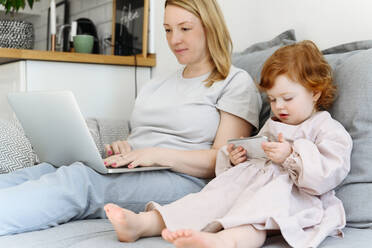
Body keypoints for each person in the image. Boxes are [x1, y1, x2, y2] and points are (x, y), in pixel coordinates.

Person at [0, 0, 262, 236]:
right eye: (168, 30)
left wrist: (155, 154)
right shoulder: (156, 85)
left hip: (187, 181)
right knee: (47, 169)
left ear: (210, 27)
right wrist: (126, 147)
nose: (174, 40)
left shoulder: (234, 82)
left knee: (81, 180)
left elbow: (224, 161)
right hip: (140, 168)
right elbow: (143, 135)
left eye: (185, 28)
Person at [103, 40, 353, 248]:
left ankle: (223, 242)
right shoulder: (273, 122)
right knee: (205, 201)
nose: (279, 107)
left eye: (287, 98)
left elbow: (329, 173)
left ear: (315, 92)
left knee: (251, 217)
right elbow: (257, 154)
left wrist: (290, 156)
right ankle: (141, 224)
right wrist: (237, 157)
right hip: (249, 184)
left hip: (289, 195)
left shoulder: (326, 129)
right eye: (273, 99)